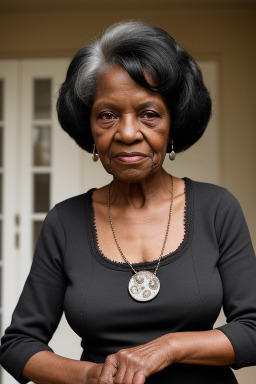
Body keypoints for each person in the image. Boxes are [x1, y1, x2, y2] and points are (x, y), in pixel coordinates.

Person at [1, 20, 256, 384]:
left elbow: (253, 330)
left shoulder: (217, 209)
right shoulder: (65, 221)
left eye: (149, 114)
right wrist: (90, 375)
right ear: (89, 127)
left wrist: (168, 348)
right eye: (107, 115)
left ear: (173, 124)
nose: (127, 133)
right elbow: (18, 345)